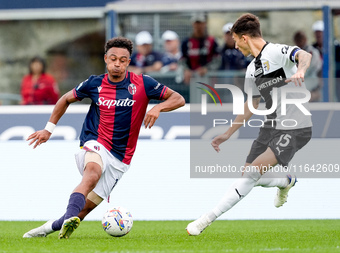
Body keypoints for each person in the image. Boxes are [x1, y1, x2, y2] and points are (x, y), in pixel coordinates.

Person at [23, 37, 185, 239]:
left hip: (121, 158)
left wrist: (158, 107)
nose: (117, 63)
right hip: (95, 142)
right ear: (106, 59)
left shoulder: (143, 83)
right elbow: (65, 99)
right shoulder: (94, 83)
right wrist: (48, 129)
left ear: (128, 62)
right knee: (92, 174)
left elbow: (178, 98)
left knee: (82, 211)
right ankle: (68, 220)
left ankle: (46, 230)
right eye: (113, 58)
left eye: (123, 60)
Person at [186, 13, 313, 236]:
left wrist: (300, 69)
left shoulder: (275, 52)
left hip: (295, 124)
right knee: (249, 174)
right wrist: (227, 133)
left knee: (250, 174)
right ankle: (286, 181)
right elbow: (251, 105)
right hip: (271, 124)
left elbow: (304, 55)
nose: (234, 46)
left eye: (235, 40)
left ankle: (206, 219)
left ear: (245, 38)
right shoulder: (252, 70)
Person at [180, 13, 220, 84]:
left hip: (209, 80)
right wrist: (186, 69)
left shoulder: (212, 41)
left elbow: (217, 60)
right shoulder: (186, 42)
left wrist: (207, 68)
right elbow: (182, 60)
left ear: (205, 24)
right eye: (196, 23)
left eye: (200, 23)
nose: (198, 26)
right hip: (191, 81)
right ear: (193, 24)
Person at [293, 30, 322, 102]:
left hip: (312, 80)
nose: (299, 41)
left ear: (305, 39)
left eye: (301, 39)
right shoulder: (293, 53)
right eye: (297, 39)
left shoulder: (312, 52)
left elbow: (311, 69)